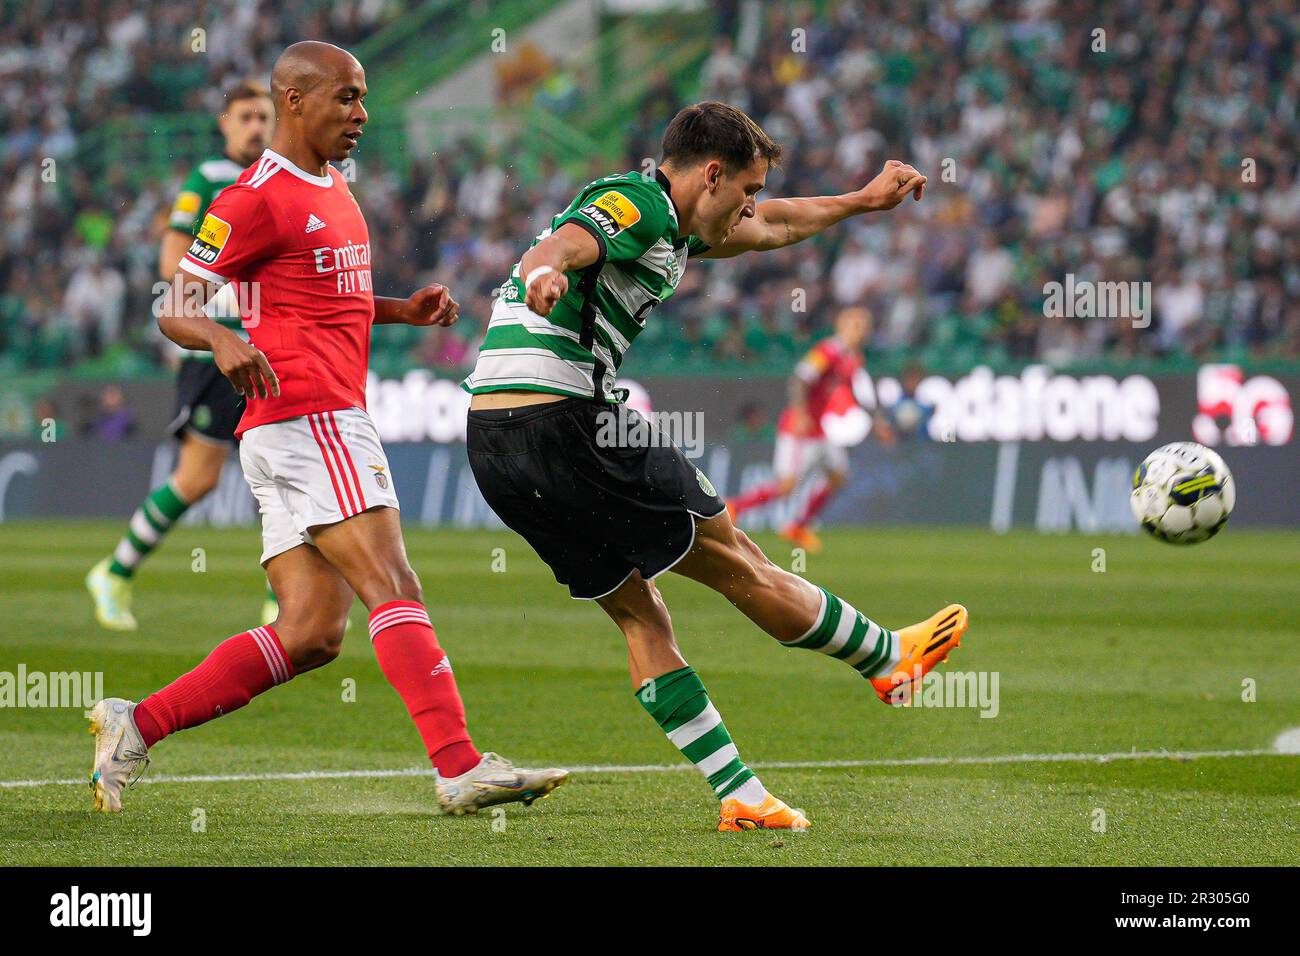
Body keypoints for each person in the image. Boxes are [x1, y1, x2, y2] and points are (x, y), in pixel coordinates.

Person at [88, 41, 566, 817]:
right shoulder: (254, 196)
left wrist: (402, 309)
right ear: (294, 99)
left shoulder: (333, 185)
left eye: (363, 97)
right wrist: (219, 337)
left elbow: (324, 297)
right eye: (345, 97)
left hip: (289, 426)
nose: (361, 114)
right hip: (311, 416)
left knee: (310, 633)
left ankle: (135, 724)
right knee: (394, 584)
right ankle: (459, 766)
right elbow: (174, 305)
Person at [463, 102, 968, 831]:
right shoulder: (637, 203)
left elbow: (781, 226)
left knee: (640, 613)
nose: (752, 205)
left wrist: (862, 199)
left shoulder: (678, 233)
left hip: (493, 442)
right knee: (738, 558)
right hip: (566, 419)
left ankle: (741, 794)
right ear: (710, 174)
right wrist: (543, 273)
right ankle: (886, 660)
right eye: (747, 189)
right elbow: (568, 246)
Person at [86, 80, 280, 631]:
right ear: (225, 124)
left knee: (286, 466)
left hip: (267, 345)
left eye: (263, 117)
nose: (255, 127)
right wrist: (218, 297)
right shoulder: (209, 179)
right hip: (214, 350)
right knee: (197, 479)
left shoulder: (274, 179)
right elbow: (174, 256)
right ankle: (116, 571)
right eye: (244, 117)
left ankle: (281, 603)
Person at [728, 305, 882, 553]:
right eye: (856, 325)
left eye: (865, 327)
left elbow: (855, 390)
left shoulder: (851, 357)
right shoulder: (828, 351)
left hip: (819, 430)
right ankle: (734, 508)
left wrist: (877, 422)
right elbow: (800, 378)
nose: (861, 331)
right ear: (841, 326)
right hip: (799, 428)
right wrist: (800, 412)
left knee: (837, 476)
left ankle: (798, 525)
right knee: (787, 486)